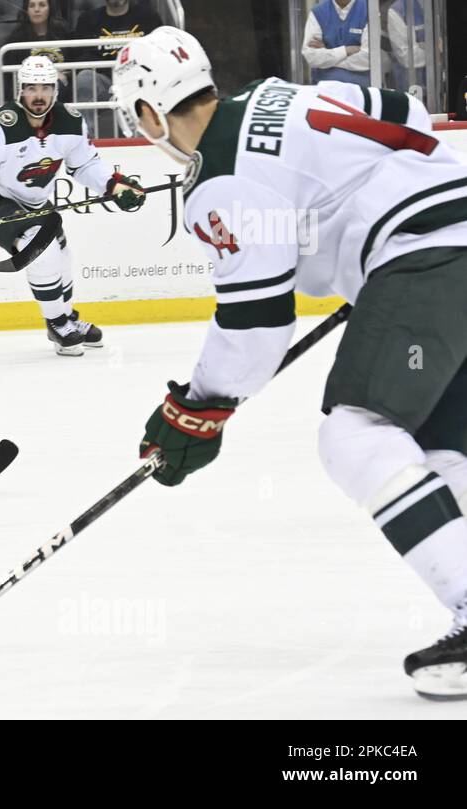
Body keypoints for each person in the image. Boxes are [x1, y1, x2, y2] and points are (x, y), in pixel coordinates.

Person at [112, 26, 467, 700]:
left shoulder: (219, 179)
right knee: (442, 448)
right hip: (451, 231)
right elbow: (407, 117)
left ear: (151, 113)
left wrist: (198, 407)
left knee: (355, 433)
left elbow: (256, 325)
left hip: (427, 257)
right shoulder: (280, 95)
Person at [0, 55, 145, 355]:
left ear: (55, 90)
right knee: (43, 250)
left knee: (63, 254)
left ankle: (67, 318)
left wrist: (115, 185)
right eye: (31, 88)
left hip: (33, 201)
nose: (38, 96)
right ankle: (57, 325)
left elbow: (85, 165)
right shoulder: (3, 126)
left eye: (45, 88)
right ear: (20, 90)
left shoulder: (71, 122)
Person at [71, 0, 161, 135]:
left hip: (137, 81)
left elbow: (159, 50)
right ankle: (85, 136)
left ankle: (146, 136)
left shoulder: (148, 16)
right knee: (85, 78)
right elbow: (78, 56)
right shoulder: (88, 19)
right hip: (104, 81)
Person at [302, 0, 371, 86]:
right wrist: (346, 51)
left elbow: (368, 59)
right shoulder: (318, 12)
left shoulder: (369, 10)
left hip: (361, 89)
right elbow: (312, 57)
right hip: (324, 88)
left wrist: (328, 56)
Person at [2, 0, 72, 69]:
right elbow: (10, 73)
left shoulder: (63, 31)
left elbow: (74, 63)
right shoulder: (17, 37)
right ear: (26, 10)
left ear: (50, 9)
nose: (36, 9)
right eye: (32, 6)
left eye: (42, 5)